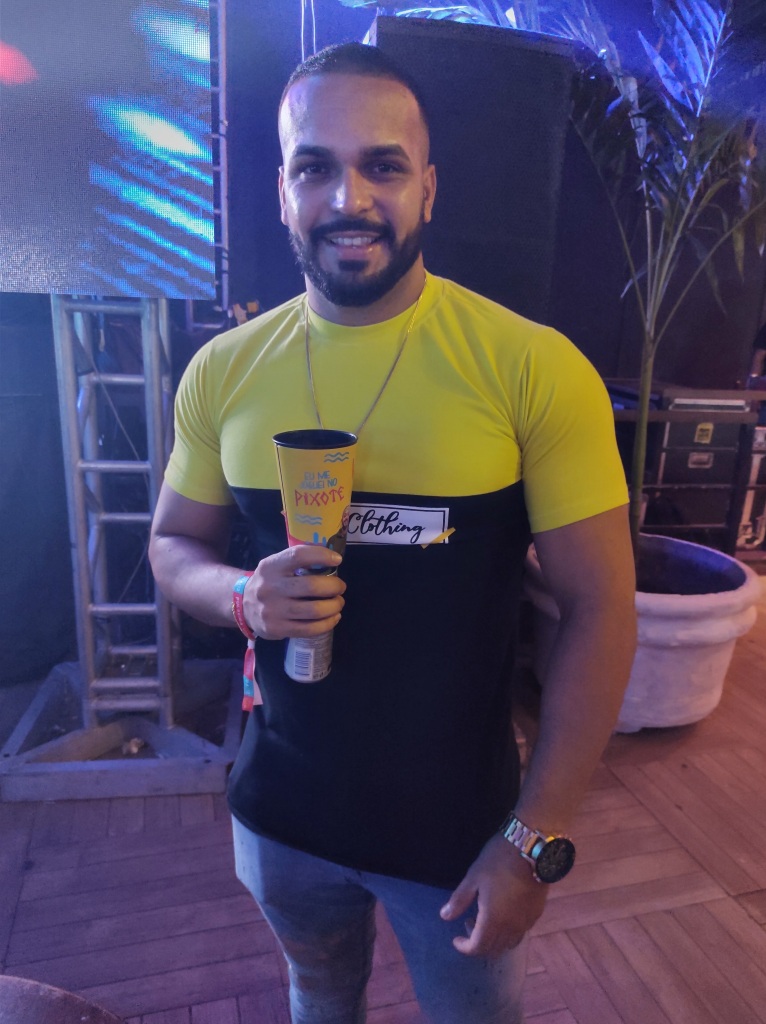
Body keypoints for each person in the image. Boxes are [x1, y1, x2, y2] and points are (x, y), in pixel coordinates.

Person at [149, 42, 637, 1024]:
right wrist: (244, 598)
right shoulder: (223, 371)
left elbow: (599, 610)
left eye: (382, 165)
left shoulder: (533, 368)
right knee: (319, 997)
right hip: (279, 818)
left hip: (462, 836)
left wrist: (534, 841)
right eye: (314, 167)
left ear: (429, 188)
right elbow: (171, 548)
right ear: (282, 193)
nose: (349, 198)